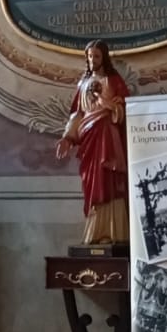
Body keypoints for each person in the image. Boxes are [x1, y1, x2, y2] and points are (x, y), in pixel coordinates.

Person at [56, 40, 129, 244]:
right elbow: (77, 114)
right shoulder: (83, 84)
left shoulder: (113, 81)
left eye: (96, 56)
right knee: (92, 183)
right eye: (89, 56)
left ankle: (115, 234)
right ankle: (94, 233)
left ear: (103, 57)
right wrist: (67, 138)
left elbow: (124, 109)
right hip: (89, 140)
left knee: (109, 182)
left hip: (108, 137)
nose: (92, 60)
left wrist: (108, 105)